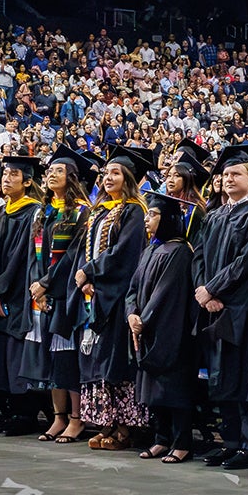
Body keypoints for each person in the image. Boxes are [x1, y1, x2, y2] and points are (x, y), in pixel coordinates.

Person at [197, 144, 248, 469]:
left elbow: (247, 263)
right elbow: (198, 256)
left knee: (243, 379)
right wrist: (203, 290)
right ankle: (229, 442)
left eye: (236, 174)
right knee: (220, 378)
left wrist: (213, 289)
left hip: (243, 309)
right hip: (214, 307)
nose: (228, 179)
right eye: (225, 174)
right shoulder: (215, 216)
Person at [72, 145, 154, 450]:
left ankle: (125, 429)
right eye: (106, 173)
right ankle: (106, 423)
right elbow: (87, 249)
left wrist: (91, 272)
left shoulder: (134, 210)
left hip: (118, 296)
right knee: (100, 360)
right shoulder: (99, 211)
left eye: (116, 172)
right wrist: (85, 278)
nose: (108, 177)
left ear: (129, 178)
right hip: (97, 295)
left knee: (118, 362)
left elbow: (125, 255)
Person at [26, 147, 94, 443]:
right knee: (52, 361)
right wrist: (35, 286)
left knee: (67, 358)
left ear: (72, 177)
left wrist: (47, 284)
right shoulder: (43, 211)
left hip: (66, 293)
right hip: (44, 294)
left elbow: (73, 256)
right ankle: (58, 417)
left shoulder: (81, 211)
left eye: (58, 170)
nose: (51, 174)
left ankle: (77, 419)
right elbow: (33, 254)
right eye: (49, 170)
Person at [128, 190, 199, 464]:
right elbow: (132, 288)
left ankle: (182, 443)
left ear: (169, 218)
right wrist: (131, 314)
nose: (147, 219)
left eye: (153, 214)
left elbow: (165, 293)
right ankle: (161, 439)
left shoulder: (180, 251)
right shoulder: (151, 249)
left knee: (174, 389)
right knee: (154, 391)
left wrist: (143, 319)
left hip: (171, 331)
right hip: (145, 328)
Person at [0, 156, 44, 435]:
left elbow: (22, 256)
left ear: (28, 182)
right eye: (5, 174)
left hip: (18, 294)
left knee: (15, 354)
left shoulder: (33, 212)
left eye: (14, 174)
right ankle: (8, 410)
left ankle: (25, 413)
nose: (6, 179)